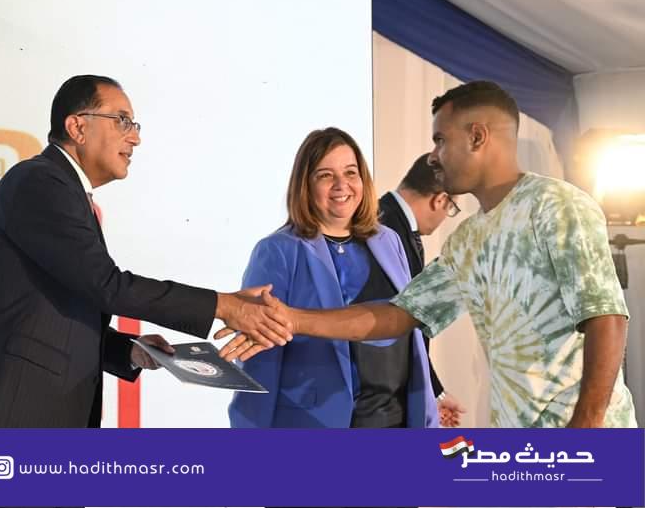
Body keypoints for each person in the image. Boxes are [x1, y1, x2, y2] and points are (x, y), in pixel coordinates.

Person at [220, 81, 637, 429]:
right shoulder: (468, 239)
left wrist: (585, 431)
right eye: (325, 175)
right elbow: (398, 315)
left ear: (477, 137)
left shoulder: (556, 205)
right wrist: (292, 319)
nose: (433, 156)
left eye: (441, 140)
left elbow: (606, 318)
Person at [0, 74, 291, 429]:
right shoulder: (40, 181)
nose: (135, 138)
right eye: (122, 120)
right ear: (78, 127)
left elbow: (56, 312)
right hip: (15, 414)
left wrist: (130, 351)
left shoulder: (64, 191)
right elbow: (106, 286)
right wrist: (224, 305)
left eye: (134, 125)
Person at [229, 127, 437, 429]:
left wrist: (429, 416)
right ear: (305, 184)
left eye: (351, 173)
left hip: (397, 423)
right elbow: (259, 360)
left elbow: (411, 335)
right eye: (325, 175)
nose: (342, 185)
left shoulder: (389, 240)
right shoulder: (277, 251)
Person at [379, 153, 466, 427]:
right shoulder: (386, 231)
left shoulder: (390, 221)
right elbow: (400, 323)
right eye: (452, 208)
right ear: (440, 199)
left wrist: (434, 393)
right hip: (381, 401)